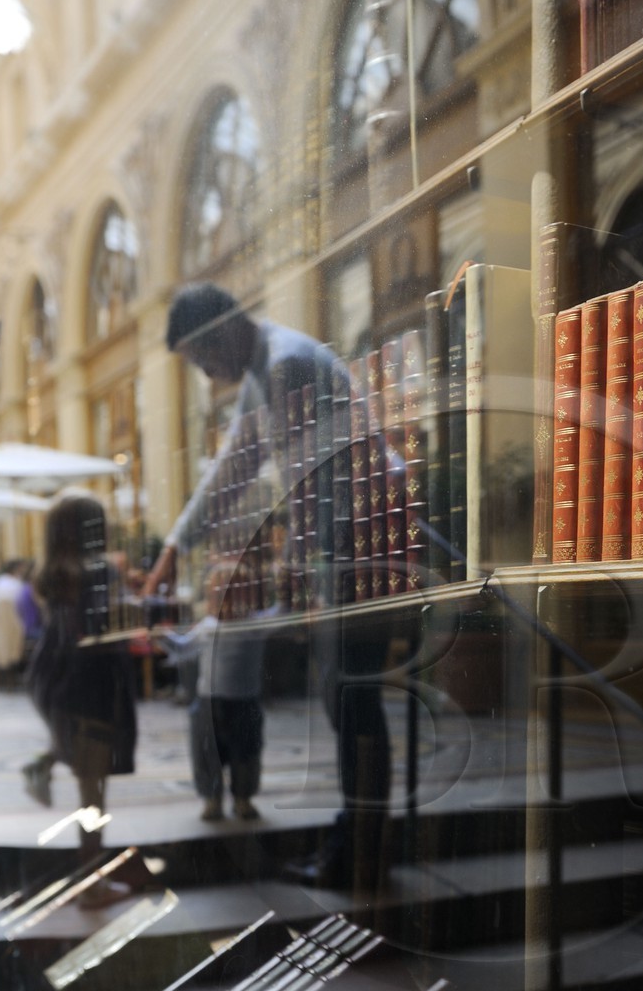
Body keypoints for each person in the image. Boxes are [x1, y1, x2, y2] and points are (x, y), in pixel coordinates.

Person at [144, 283, 391, 887]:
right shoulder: (266, 369)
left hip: (357, 552)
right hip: (349, 551)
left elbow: (305, 484)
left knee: (352, 705)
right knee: (348, 705)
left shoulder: (285, 365)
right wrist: (176, 545)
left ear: (220, 333)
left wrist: (298, 577)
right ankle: (358, 848)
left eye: (201, 359)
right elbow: (234, 467)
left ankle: (359, 855)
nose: (205, 375)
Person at [24, 491, 137, 894]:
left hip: (60, 688)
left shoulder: (53, 575)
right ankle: (91, 883)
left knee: (88, 781)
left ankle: (46, 757)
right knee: (93, 793)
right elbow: (108, 629)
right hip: (92, 692)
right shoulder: (96, 573)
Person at [156, 559, 266, 822]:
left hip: (245, 701)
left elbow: (284, 618)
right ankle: (212, 799)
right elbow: (182, 648)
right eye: (218, 596)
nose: (224, 603)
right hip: (209, 703)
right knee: (207, 755)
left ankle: (243, 798)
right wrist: (161, 636)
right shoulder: (207, 628)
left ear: (248, 597)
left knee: (246, 753)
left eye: (234, 594)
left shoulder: (256, 625)